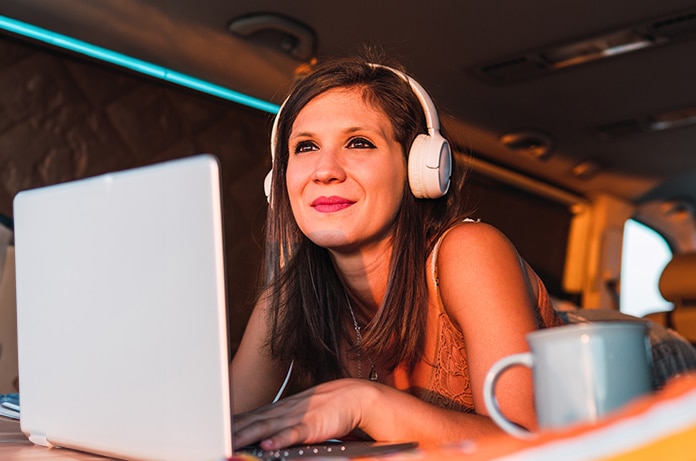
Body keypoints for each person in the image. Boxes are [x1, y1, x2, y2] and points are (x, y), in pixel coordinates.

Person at [231, 51, 562, 450]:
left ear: (420, 169)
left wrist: (364, 403)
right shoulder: (289, 294)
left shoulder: (469, 253)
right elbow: (219, 431)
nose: (325, 170)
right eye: (305, 148)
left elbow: (530, 448)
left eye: (358, 143)